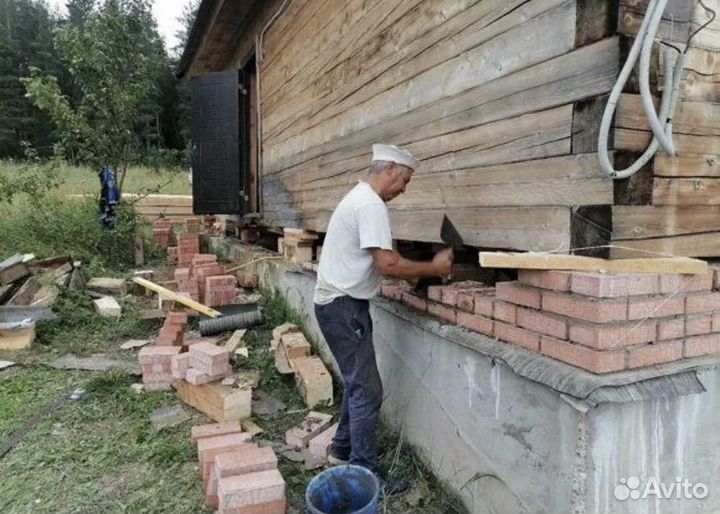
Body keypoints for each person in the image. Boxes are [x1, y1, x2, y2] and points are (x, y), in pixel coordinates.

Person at [313, 143, 454, 494]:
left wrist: (415, 275)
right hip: (342, 306)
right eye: (405, 180)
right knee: (368, 389)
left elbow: (387, 255)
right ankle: (365, 472)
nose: (404, 189)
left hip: (342, 305)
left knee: (358, 383)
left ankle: (342, 450)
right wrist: (433, 267)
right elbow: (387, 264)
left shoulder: (362, 200)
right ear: (390, 169)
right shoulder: (370, 204)